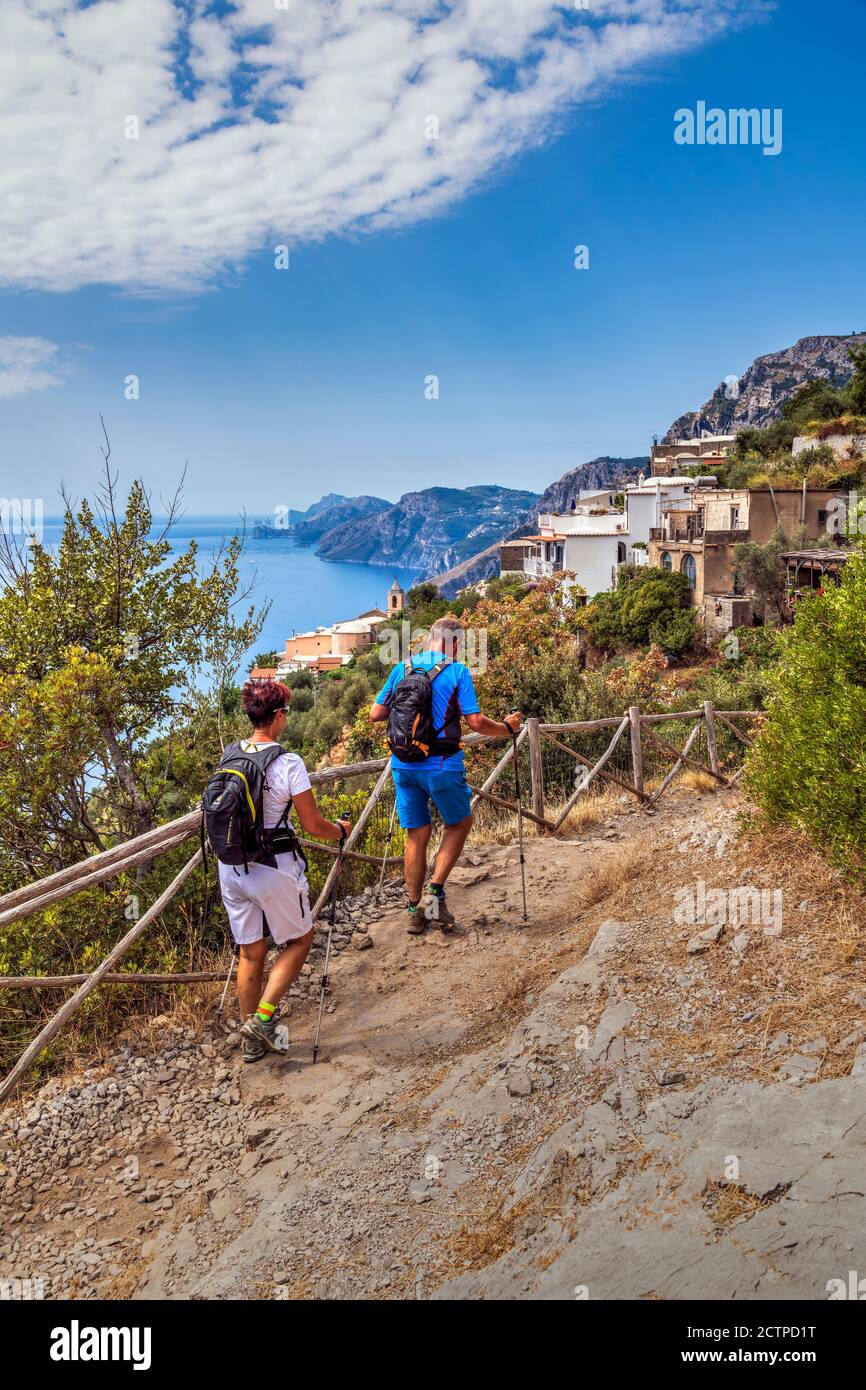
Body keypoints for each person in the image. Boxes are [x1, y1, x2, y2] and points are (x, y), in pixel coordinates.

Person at [218, 679, 351, 1063]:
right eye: (285, 713)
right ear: (277, 716)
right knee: (300, 940)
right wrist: (339, 831)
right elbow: (312, 824)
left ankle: (250, 1041)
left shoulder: (230, 755)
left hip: (232, 869)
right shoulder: (288, 763)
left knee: (251, 952)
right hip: (273, 868)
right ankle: (261, 1022)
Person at [370, 615, 521, 934]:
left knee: (416, 835)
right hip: (441, 765)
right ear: (454, 642)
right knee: (459, 823)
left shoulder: (402, 668)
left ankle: (413, 910)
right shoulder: (457, 671)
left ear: (429, 638)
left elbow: (376, 714)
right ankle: (435, 892)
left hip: (403, 765)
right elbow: (476, 723)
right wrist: (507, 728)